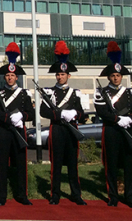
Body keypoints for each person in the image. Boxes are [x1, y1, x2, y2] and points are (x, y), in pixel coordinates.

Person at [39, 41, 87, 206]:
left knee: (73, 164)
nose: (60, 77)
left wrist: (75, 114)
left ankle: (76, 194)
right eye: (58, 74)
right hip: (57, 130)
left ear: (69, 76)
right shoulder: (49, 92)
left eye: (63, 74)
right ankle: (55, 194)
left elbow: (83, 114)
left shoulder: (76, 93)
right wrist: (60, 114)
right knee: (56, 164)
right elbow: (43, 112)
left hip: (71, 130)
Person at [94, 41, 132, 208]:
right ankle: (113, 197)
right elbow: (101, 112)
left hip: (128, 131)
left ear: (122, 77)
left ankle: (130, 197)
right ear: (109, 77)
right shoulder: (101, 92)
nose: (115, 78)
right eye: (113, 75)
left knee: (129, 165)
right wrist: (117, 119)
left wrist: (131, 119)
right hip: (112, 131)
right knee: (111, 165)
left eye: (118, 76)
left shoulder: (129, 93)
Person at [0, 42, 34, 206]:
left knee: (21, 163)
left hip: (19, 131)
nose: (9, 78)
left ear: (17, 77)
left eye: (12, 76)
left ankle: (22, 195)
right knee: (1, 163)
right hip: (4, 131)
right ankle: (2, 196)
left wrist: (21, 116)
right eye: (7, 75)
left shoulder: (24, 93)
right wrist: (9, 119)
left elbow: (32, 113)